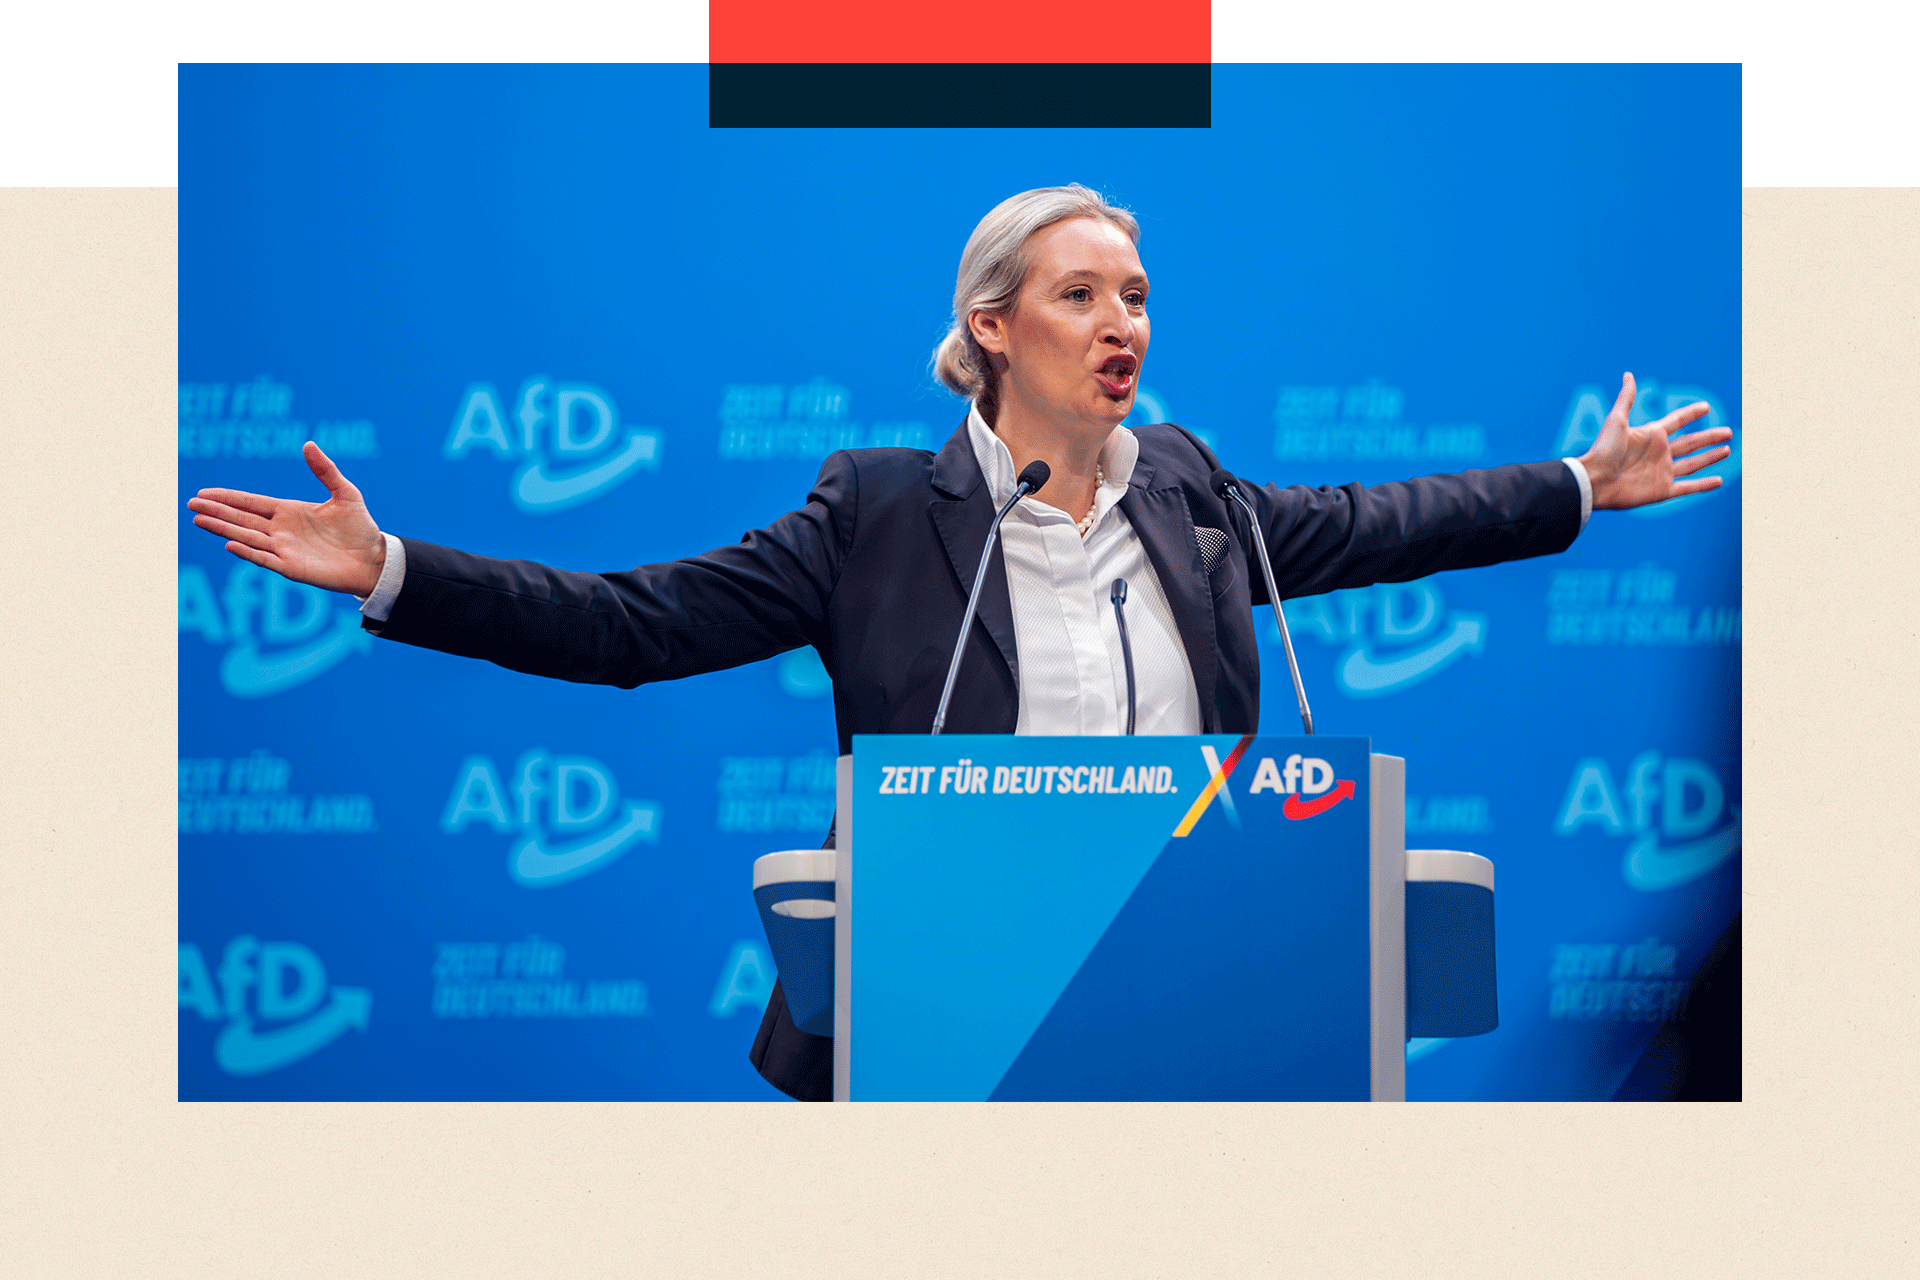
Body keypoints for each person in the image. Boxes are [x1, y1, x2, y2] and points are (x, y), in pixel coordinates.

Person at [187, 184, 1732, 1100]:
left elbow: (1382, 520)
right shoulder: (871, 513)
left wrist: (1579, 487)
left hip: (1206, 1010)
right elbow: (632, 627)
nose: (1124, 323)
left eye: (1137, 296)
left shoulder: (1196, 496)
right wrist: (395, 567)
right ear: (992, 326)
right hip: (943, 1026)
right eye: (1081, 296)